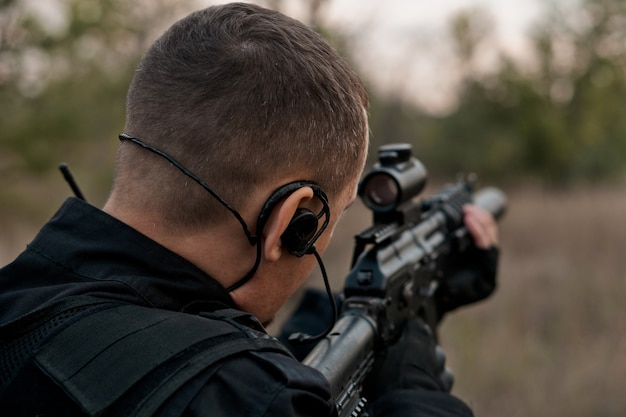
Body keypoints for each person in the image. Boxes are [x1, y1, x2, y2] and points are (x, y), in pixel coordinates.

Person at [0, 3, 499, 416]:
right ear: (291, 221)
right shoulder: (258, 400)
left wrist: (350, 311)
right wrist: (419, 393)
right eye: (334, 220)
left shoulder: (21, 301)